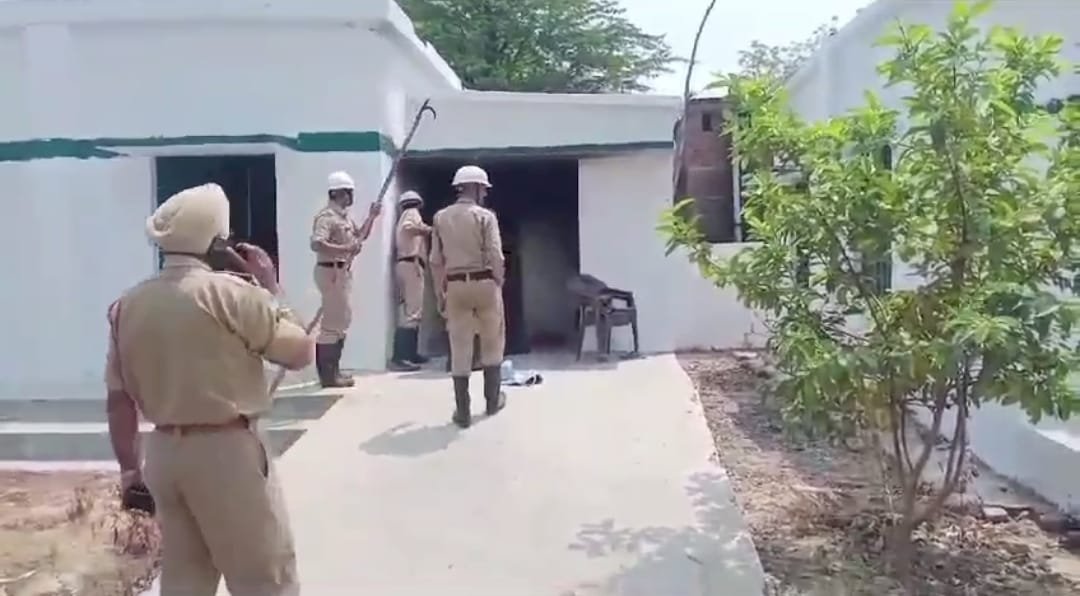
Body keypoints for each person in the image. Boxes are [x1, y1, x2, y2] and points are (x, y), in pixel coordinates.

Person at [105, 183, 313, 596]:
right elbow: (301, 352)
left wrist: (130, 471)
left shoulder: (128, 306)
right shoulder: (234, 294)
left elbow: (118, 400)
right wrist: (271, 288)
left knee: (185, 581)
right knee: (264, 577)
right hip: (227, 454)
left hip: (164, 457)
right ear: (217, 241)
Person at [429, 165, 507, 428]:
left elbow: (435, 261)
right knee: (492, 340)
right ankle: (492, 401)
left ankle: (463, 411)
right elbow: (495, 254)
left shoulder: (440, 217)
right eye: (483, 189)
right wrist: (498, 281)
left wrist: (440, 292)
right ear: (476, 188)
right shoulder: (486, 217)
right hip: (484, 281)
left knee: (459, 345)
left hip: (455, 284)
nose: (484, 193)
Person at [309, 171, 381, 388]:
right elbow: (317, 243)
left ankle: (335, 371)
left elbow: (360, 237)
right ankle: (328, 376)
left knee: (342, 321)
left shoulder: (344, 218)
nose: (351, 197)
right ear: (337, 193)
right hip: (331, 271)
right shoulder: (327, 217)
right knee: (332, 325)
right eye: (348, 192)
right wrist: (345, 249)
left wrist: (372, 217)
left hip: (342, 272)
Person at [390, 190, 431, 371]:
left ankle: (410, 353)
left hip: (407, 264)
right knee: (412, 313)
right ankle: (402, 356)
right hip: (411, 264)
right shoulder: (412, 213)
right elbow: (409, 227)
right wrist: (428, 230)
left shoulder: (406, 215)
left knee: (413, 312)